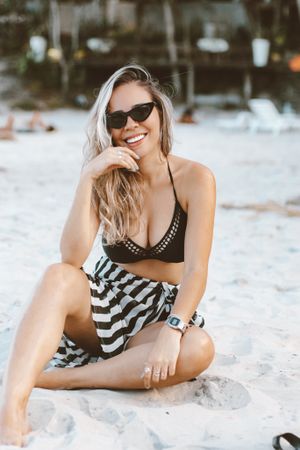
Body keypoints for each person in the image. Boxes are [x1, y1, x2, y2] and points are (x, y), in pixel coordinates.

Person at [0, 64, 216, 446]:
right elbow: (71, 257)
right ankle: (12, 408)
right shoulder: (108, 176)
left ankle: (59, 379)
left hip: (158, 313)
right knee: (56, 275)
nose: (130, 125)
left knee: (198, 348)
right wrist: (89, 178)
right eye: (117, 118)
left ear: (160, 113)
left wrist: (173, 329)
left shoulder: (196, 179)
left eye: (140, 112)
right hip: (105, 303)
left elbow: (197, 269)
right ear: (108, 126)